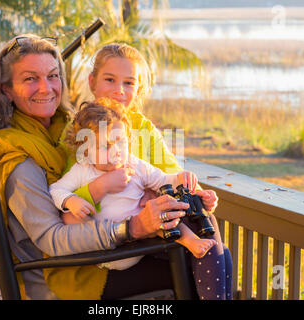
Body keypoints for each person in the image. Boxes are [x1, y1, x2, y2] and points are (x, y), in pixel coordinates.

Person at [0, 34, 200, 300]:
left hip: (101, 252)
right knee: (187, 267)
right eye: (30, 78)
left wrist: (147, 189)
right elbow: (53, 239)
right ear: (6, 89)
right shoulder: (18, 161)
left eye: (52, 75)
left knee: (200, 248)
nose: (45, 88)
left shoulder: (68, 130)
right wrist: (131, 228)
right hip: (69, 275)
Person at [82, 43, 233, 300]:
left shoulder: (143, 127)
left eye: (129, 83)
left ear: (138, 89)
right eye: (110, 80)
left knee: (211, 238)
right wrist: (106, 185)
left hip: (156, 229)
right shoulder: (83, 126)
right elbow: (70, 190)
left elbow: (172, 172)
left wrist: (197, 191)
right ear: (92, 81)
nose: (119, 90)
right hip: (114, 234)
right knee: (214, 254)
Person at [49, 98, 217, 271]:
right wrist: (70, 201)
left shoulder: (135, 165)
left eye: (121, 142)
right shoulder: (82, 170)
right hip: (105, 248)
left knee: (165, 217)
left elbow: (163, 180)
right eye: (106, 146)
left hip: (141, 240)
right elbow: (56, 189)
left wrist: (181, 178)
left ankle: (192, 241)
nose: (116, 151)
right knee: (73, 220)